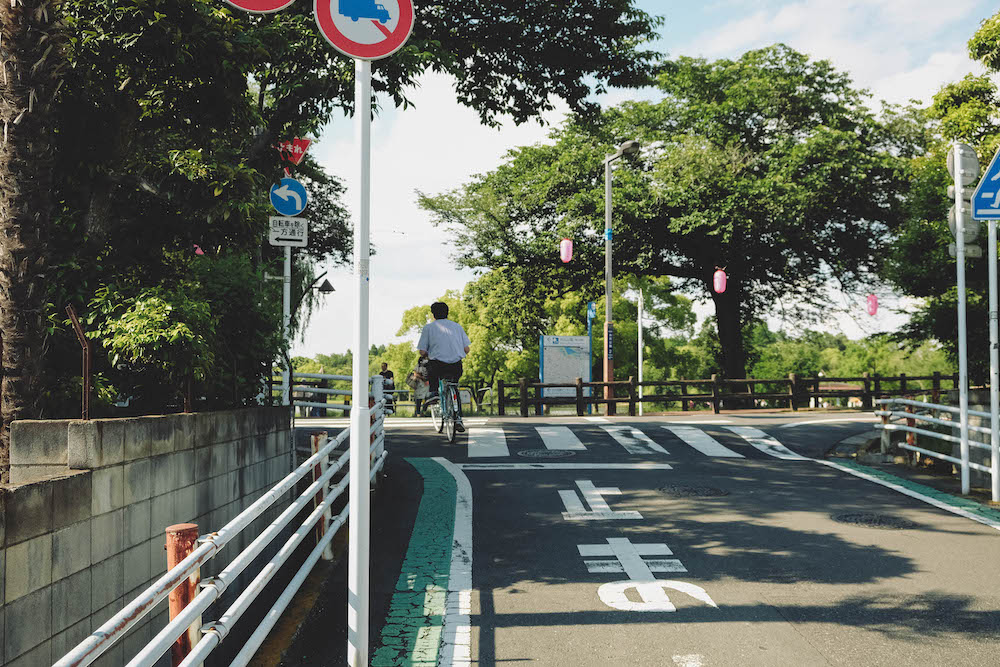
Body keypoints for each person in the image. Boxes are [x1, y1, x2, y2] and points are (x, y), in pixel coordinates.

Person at [417, 301, 471, 432]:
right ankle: (458, 418)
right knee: (454, 386)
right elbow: (467, 349)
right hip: (456, 365)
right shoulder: (457, 327)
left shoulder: (428, 328)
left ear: (433, 314)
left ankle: (434, 392)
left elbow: (422, 351)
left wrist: (428, 353)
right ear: (447, 313)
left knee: (429, 368)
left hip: (438, 365)